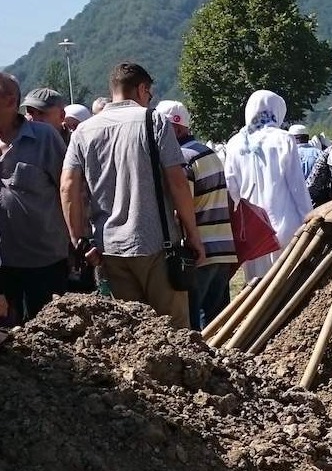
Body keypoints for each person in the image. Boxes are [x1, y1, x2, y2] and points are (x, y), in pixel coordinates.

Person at [61, 62, 204, 329]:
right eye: (148, 94)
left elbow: (68, 185)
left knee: (130, 334)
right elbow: (178, 183)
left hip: (110, 249)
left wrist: (79, 239)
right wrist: (193, 235)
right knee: (174, 332)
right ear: (142, 88)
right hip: (156, 246)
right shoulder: (154, 121)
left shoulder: (84, 130)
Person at [155, 100, 234, 331]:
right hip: (221, 247)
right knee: (218, 319)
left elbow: (182, 205)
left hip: (199, 251)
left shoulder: (182, 158)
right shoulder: (207, 153)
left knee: (195, 320)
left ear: (176, 129)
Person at [0, 72, 70, 324]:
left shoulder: (44, 137)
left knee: (48, 333)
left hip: (44, 260)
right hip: (3, 262)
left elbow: (69, 190)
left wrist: (77, 239)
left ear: (9, 101)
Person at [225, 90, 310, 279]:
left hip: (254, 230)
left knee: (256, 287)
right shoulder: (284, 139)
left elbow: (232, 190)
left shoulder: (234, 143)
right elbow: (297, 187)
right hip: (285, 225)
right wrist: (309, 218)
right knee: (286, 284)